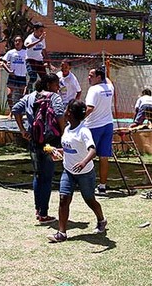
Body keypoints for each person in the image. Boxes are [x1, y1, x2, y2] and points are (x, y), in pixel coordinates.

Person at [46, 100, 107, 243]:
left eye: (67, 110)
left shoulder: (84, 131)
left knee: (89, 199)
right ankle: (61, 233)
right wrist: (57, 151)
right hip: (68, 171)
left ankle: (101, 220)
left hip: (85, 172)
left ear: (70, 113)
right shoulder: (67, 129)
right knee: (63, 199)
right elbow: (69, 148)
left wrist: (83, 162)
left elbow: (93, 150)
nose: (64, 112)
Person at [12, 74, 65, 224]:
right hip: (50, 142)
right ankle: (44, 214)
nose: (58, 88)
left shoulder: (29, 97)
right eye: (56, 85)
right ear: (49, 85)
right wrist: (63, 133)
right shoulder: (54, 97)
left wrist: (22, 130)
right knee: (47, 178)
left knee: (37, 175)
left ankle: (38, 209)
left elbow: (16, 109)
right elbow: (60, 114)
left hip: (34, 142)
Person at [84, 67, 114, 195]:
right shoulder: (109, 88)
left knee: (87, 156)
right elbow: (110, 82)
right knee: (104, 157)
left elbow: (90, 108)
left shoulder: (93, 90)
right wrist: (105, 72)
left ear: (99, 77)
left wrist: (78, 120)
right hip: (108, 125)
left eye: (91, 75)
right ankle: (102, 186)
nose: (89, 78)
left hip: (93, 126)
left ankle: (86, 184)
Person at [1, 36, 27, 112]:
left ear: (22, 43)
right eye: (16, 41)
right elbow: (3, 63)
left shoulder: (25, 52)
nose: (17, 42)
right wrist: (9, 71)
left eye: (19, 41)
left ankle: (20, 112)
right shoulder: (10, 52)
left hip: (22, 76)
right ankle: (12, 112)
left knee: (22, 96)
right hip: (13, 77)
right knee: (9, 95)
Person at [24, 22, 50, 92]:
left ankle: (40, 91)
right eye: (40, 31)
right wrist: (39, 41)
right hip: (30, 60)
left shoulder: (42, 39)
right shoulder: (30, 38)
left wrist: (49, 63)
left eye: (42, 31)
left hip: (39, 60)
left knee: (45, 78)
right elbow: (27, 46)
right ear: (35, 30)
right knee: (33, 77)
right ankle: (27, 89)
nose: (42, 33)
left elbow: (44, 51)